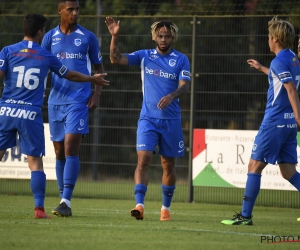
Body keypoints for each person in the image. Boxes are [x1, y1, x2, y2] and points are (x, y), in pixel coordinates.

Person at [0, 13, 109, 219]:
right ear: (41, 31)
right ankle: (39, 209)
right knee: (35, 162)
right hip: (31, 113)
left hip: (7, 110)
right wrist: (90, 79)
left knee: (68, 148)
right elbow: (68, 73)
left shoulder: (8, 51)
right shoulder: (45, 53)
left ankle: (65, 200)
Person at [105, 16, 191, 221]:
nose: (163, 39)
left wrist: (171, 96)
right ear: (154, 37)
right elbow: (115, 59)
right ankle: (139, 205)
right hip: (148, 119)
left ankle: (165, 209)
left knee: (168, 165)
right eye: (160, 36)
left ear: (173, 38)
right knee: (143, 159)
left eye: (167, 36)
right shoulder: (145, 56)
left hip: (171, 121)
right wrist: (115, 37)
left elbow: (185, 85)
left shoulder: (181, 59)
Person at [221, 16, 300, 225]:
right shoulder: (293, 59)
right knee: (288, 172)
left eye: (268, 36)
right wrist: (262, 68)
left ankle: (245, 217)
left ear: (275, 38)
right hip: (289, 125)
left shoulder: (279, 61)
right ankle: (245, 216)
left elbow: (290, 89)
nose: (267, 39)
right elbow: (283, 80)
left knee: (254, 166)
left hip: (274, 123)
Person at [41, 0, 106, 217]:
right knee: (59, 151)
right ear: (60, 10)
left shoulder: (88, 37)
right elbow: (40, 65)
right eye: (70, 9)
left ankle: (66, 201)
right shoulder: (49, 37)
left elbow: (100, 69)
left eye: (77, 9)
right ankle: (62, 199)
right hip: (55, 100)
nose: (75, 13)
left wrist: (96, 93)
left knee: (70, 147)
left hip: (79, 99)